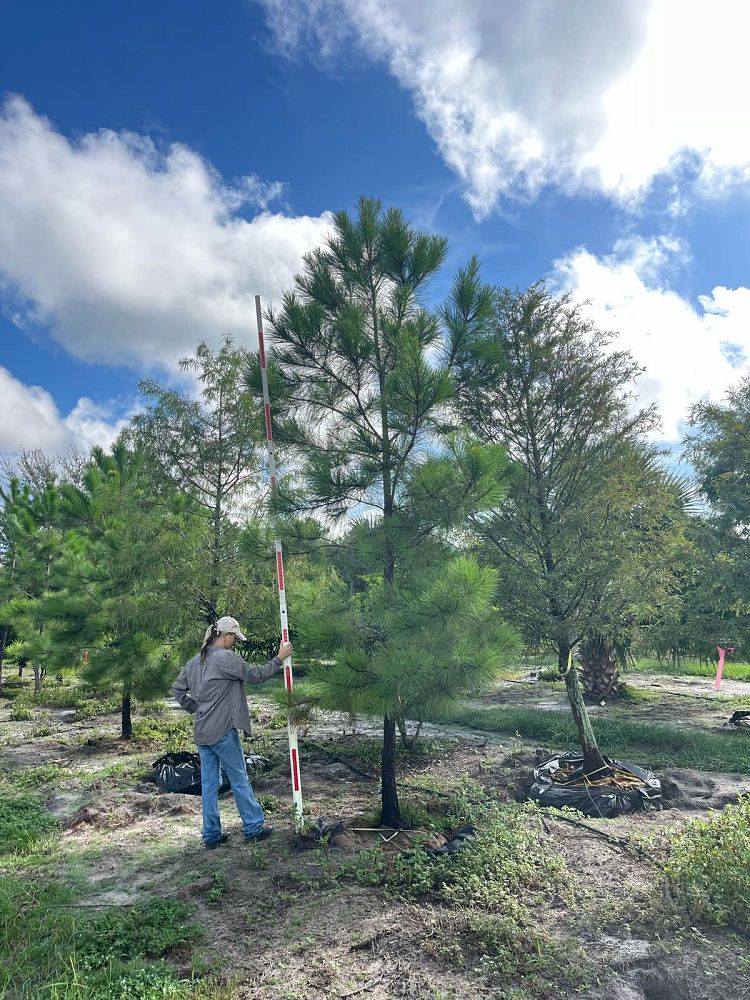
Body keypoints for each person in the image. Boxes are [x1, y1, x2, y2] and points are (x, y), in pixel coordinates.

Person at [172, 615, 292, 850]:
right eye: (234, 637)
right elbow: (256, 676)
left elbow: (177, 689)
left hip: (203, 734)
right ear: (225, 636)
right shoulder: (227, 659)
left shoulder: (195, 661)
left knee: (208, 785)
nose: (235, 642)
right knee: (239, 779)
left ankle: (211, 834)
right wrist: (279, 658)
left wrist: (195, 708)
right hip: (223, 731)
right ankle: (253, 827)